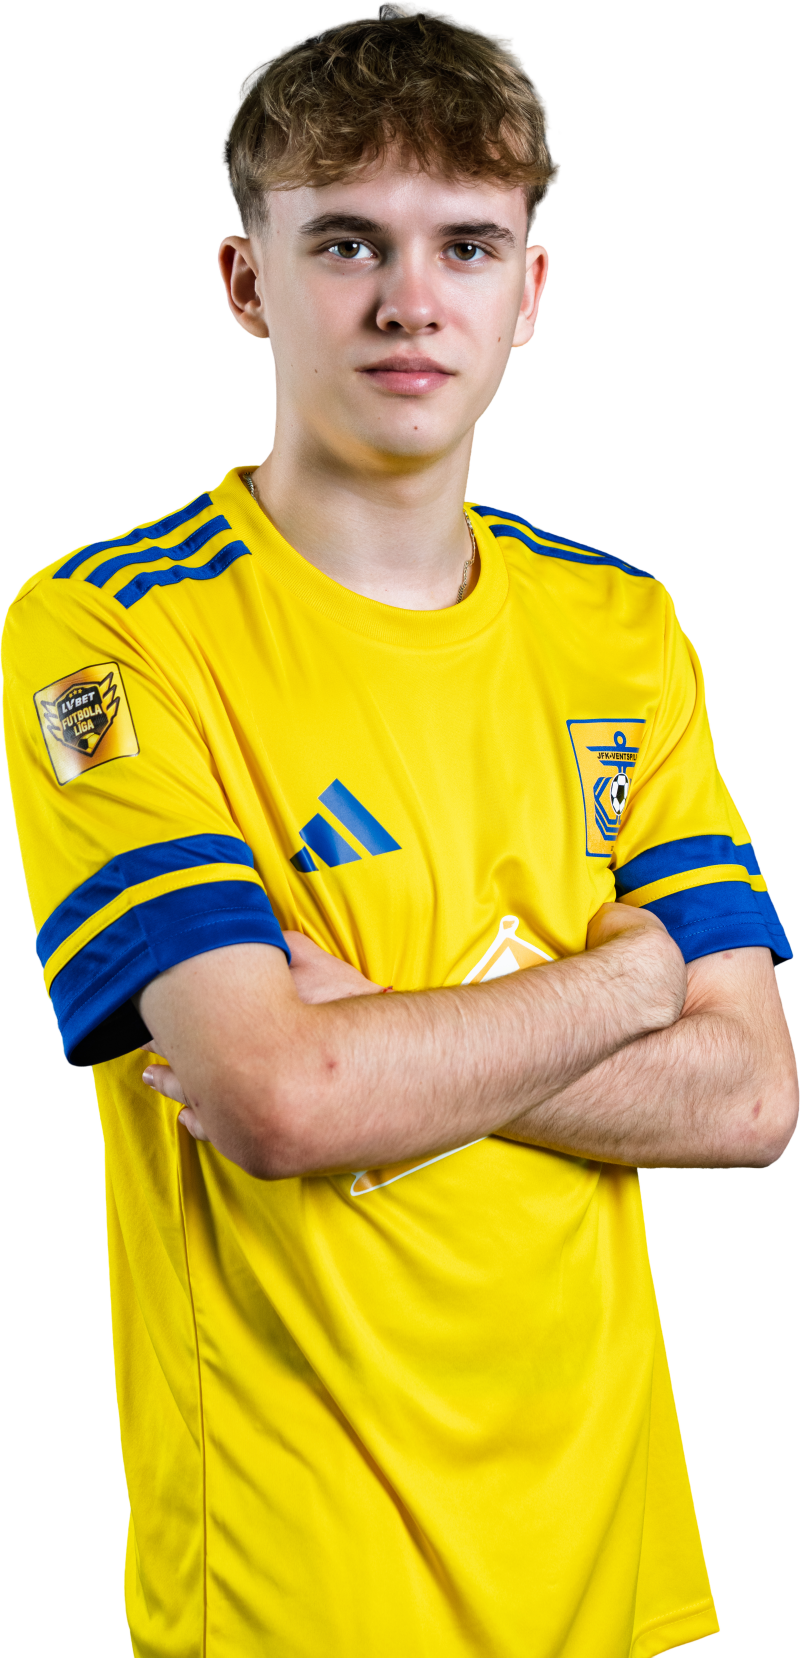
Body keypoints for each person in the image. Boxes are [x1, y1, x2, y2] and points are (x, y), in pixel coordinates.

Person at [2, 6, 796, 1654]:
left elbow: (753, 1096)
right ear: (247, 283)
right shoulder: (111, 631)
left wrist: (390, 1040)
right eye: (349, 240)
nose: (410, 299)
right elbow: (280, 1096)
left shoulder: (623, 628)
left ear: (531, 293)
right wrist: (632, 984)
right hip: (301, 1585)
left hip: (616, 1567)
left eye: (467, 245)